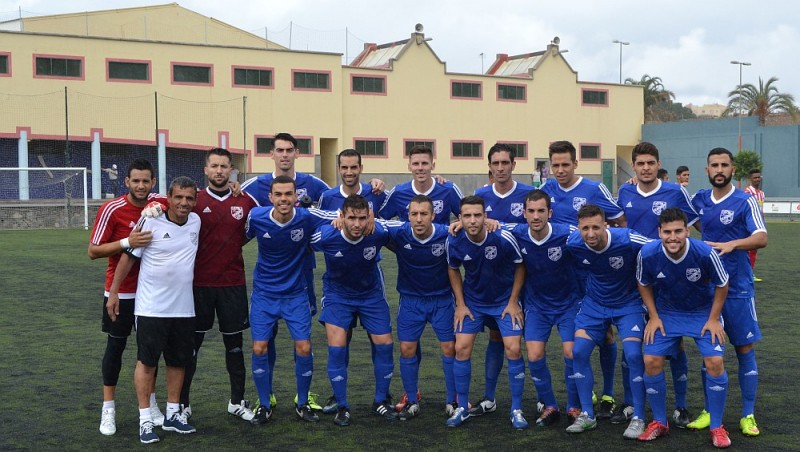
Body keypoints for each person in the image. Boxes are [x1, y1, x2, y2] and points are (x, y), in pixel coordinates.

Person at [107, 176, 201, 444]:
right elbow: (127, 258)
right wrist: (113, 293)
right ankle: (145, 419)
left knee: (178, 361)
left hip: (183, 309)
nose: (184, 203)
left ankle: (172, 414)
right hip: (151, 308)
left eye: (189, 198)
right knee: (147, 363)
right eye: (178, 197)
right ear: (168, 198)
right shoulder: (150, 220)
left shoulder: (196, 221)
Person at [241, 132, 331, 410]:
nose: (284, 154)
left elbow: (338, 207)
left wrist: (371, 192)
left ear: (296, 153)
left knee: (302, 343)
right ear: (272, 153)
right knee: (262, 343)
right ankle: (265, 398)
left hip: (300, 279)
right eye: (279, 150)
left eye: (289, 150)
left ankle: (303, 399)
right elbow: (237, 213)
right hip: (266, 288)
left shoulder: (314, 185)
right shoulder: (254, 188)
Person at [540, 140, 626, 419]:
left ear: (576, 163)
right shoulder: (546, 190)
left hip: (593, 272)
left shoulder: (593, 189)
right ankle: (584, 393)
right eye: (556, 165)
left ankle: (608, 393)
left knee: (606, 333)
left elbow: (620, 221)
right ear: (550, 166)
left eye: (566, 164)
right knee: (580, 334)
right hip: (562, 275)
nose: (561, 170)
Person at [616, 142, 699, 427]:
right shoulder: (625, 190)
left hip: (669, 278)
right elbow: (621, 225)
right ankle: (630, 402)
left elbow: (697, 223)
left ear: (658, 164)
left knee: (674, 343)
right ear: (634, 165)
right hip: (634, 277)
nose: (646, 168)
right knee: (632, 342)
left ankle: (681, 405)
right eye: (640, 163)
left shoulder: (675, 192)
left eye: (651, 163)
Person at [636, 208, 732, 448]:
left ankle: (717, 426)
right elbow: (643, 282)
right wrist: (653, 316)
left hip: (702, 313)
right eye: (667, 232)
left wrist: (713, 319)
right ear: (659, 232)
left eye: (678, 231)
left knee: (715, 362)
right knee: (650, 360)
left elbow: (723, 283)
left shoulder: (705, 253)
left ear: (687, 231)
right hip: (667, 313)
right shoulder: (647, 253)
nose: (673, 237)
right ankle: (659, 422)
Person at [689, 147, 767, 437]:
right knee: (709, 352)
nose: (719, 169)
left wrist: (734, 244)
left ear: (733, 170)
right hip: (707, 290)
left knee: (744, 349)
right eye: (714, 165)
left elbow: (762, 237)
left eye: (724, 165)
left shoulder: (745, 201)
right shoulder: (699, 199)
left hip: (737, 289)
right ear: (707, 169)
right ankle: (709, 411)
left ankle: (748, 414)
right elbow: (677, 207)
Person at [88, 158, 167, 436]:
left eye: (146, 181)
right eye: (136, 181)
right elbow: (93, 251)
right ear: (127, 182)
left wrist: (234, 187)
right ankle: (108, 409)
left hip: (151, 293)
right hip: (119, 293)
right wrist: (126, 242)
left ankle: (152, 404)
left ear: (153, 183)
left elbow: (189, 198)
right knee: (116, 348)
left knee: (149, 352)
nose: (141, 186)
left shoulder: (159, 202)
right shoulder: (112, 209)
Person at [178, 148, 258, 422]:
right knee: (191, 346)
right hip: (198, 285)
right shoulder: (194, 200)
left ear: (231, 170)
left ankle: (237, 401)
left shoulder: (245, 201)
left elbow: (256, 228)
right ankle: (182, 404)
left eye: (224, 166)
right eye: (214, 166)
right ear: (206, 170)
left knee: (234, 347)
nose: (220, 171)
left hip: (232, 285)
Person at [311, 195, 397, 426]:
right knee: (337, 347)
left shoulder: (378, 232)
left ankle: (380, 400)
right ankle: (342, 405)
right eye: (351, 218)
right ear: (342, 217)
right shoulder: (326, 235)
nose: (357, 224)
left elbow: (407, 229)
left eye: (362, 218)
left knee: (385, 345)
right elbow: (301, 236)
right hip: (338, 295)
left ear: (369, 217)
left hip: (371, 295)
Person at [564, 204, 648, 439]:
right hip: (594, 304)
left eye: (595, 227)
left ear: (606, 225)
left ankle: (639, 416)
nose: (590, 234)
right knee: (578, 352)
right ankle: (588, 415)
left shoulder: (628, 239)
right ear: (579, 228)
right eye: (585, 228)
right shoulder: (574, 243)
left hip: (628, 304)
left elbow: (658, 247)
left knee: (632, 354)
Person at [445, 196, 527, 429]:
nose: (472, 220)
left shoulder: (501, 237)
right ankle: (462, 406)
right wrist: (460, 304)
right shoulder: (454, 239)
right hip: (473, 302)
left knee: (513, 348)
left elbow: (520, 265)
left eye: (477, 215)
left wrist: (513, 302)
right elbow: (453, 270)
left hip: (503, 301)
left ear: (485, 216)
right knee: (460, 347)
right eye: (467, 216)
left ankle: (516, 409)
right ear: (459, 218)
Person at [316, 148, 387, 414]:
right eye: (344, 168)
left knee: (379, 339)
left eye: (353, 167)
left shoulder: (376, 193)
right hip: (338, 280)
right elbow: (319, 226)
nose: (348, 172)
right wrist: (332, 223)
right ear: (338, 168)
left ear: (361, 167)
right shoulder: (327, 197)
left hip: (369, 279)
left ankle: (383, 396)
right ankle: (338, 397)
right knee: (339, 339)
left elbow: (397, 217)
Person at [506, 189, 581, 427]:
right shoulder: (516, 233)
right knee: (535, 355)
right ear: (524, 213)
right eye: (531, 211)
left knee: (571, 353)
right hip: (537, 305)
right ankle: (550, 406)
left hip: (568, 303)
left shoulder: (567, 234)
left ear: (550, 212)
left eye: (541, 211)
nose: (536, 216)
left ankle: (573, 405)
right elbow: (492, 226)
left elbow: (595, 236)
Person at [470, 143, 535, 418]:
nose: (500, 168)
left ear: (513, 165)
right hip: (489, 281)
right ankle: (490, 396)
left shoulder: (527, 195)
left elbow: (536, 225)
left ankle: (542, 400)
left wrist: (502, 226)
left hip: (523, 276)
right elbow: (466, 224)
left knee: (528, 340)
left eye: (504, 163)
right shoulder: (481, 196)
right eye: (495, 163)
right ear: (489, 166)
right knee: (497, 336)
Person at [383, 195, 456, 419]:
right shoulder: (399, 232)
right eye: (414, 214)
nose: (419, 219)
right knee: (407, 349)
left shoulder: (447, 234)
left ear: (433, 216)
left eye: (424, 214)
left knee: (449, 349)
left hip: (441, 300)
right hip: (411, 301)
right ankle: (412, 400)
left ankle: (453, 400)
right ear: (408, 215)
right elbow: (374, 224)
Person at [379, 144, 463, 225]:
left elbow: (468, 215)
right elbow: (381, 219)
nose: (420, 168)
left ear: (432, 166)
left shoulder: (449, 189)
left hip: (441, 240)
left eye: (424, 163)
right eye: (415, 164)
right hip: (408, 240)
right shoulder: (398, 193)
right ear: (409, 167)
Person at [743, 168, 765, 282]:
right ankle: (747, 273)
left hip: (758, 224)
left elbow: (761, 210)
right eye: (755, 177)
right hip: (748, 224)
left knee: (754, 249)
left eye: (758, 177)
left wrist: (763, 223)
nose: (757, 179)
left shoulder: (761, 193)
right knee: (748, 249)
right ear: (750, 179)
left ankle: (750, 272)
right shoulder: (747, 192)